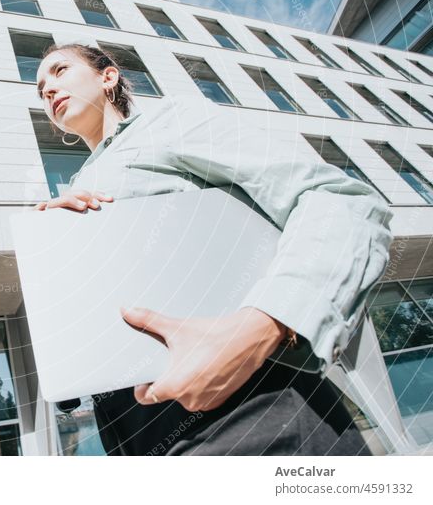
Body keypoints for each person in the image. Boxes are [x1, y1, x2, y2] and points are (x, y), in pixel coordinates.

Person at [32, 43, 394, 456]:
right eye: (41, 88)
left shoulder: (167, 123)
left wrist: (260, 329)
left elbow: (340, 199)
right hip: (138, 438)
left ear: (108, 77)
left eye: (60, 71)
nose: (48, 89)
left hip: (250, 418)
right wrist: (56, 259)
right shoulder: (73, 191)